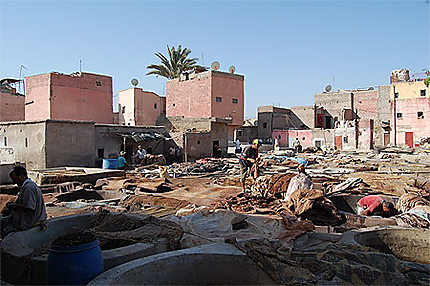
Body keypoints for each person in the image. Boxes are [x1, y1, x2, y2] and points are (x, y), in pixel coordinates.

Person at [1, 166, 47, 238]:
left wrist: (13, 206)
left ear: (22, 177)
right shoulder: (28, 186)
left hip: (30, 223)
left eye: (15, 179)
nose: (14, 182)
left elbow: (29, 207)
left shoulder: (29, 188)